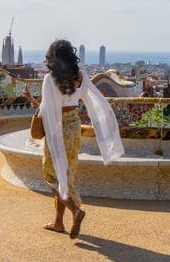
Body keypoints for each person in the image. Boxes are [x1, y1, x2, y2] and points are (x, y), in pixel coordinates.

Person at [24, 39, 124, 239]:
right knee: (66, 175)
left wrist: (31, 101)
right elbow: (94, 100)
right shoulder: (80, 77)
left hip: (57, 128)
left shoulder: (50, 79)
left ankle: (75, 211)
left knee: (51, 175)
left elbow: (47, 111)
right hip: (73, 126)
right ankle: (58, 223)